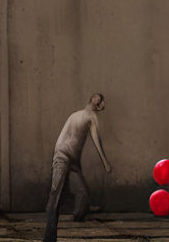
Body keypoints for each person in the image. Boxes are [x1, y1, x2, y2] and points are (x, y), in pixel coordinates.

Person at [42, 93, 112, 242]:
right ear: (93, 101)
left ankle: (78, 217)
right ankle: (49, 238)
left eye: (100, 100)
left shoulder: (85, 116)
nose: (97, 101)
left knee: (83, 192)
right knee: (56, 195)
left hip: (71, 162)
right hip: (62, 157)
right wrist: (105, 161)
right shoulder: (85, 116)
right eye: (97, 99)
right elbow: (96, 140)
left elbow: (93, 138)